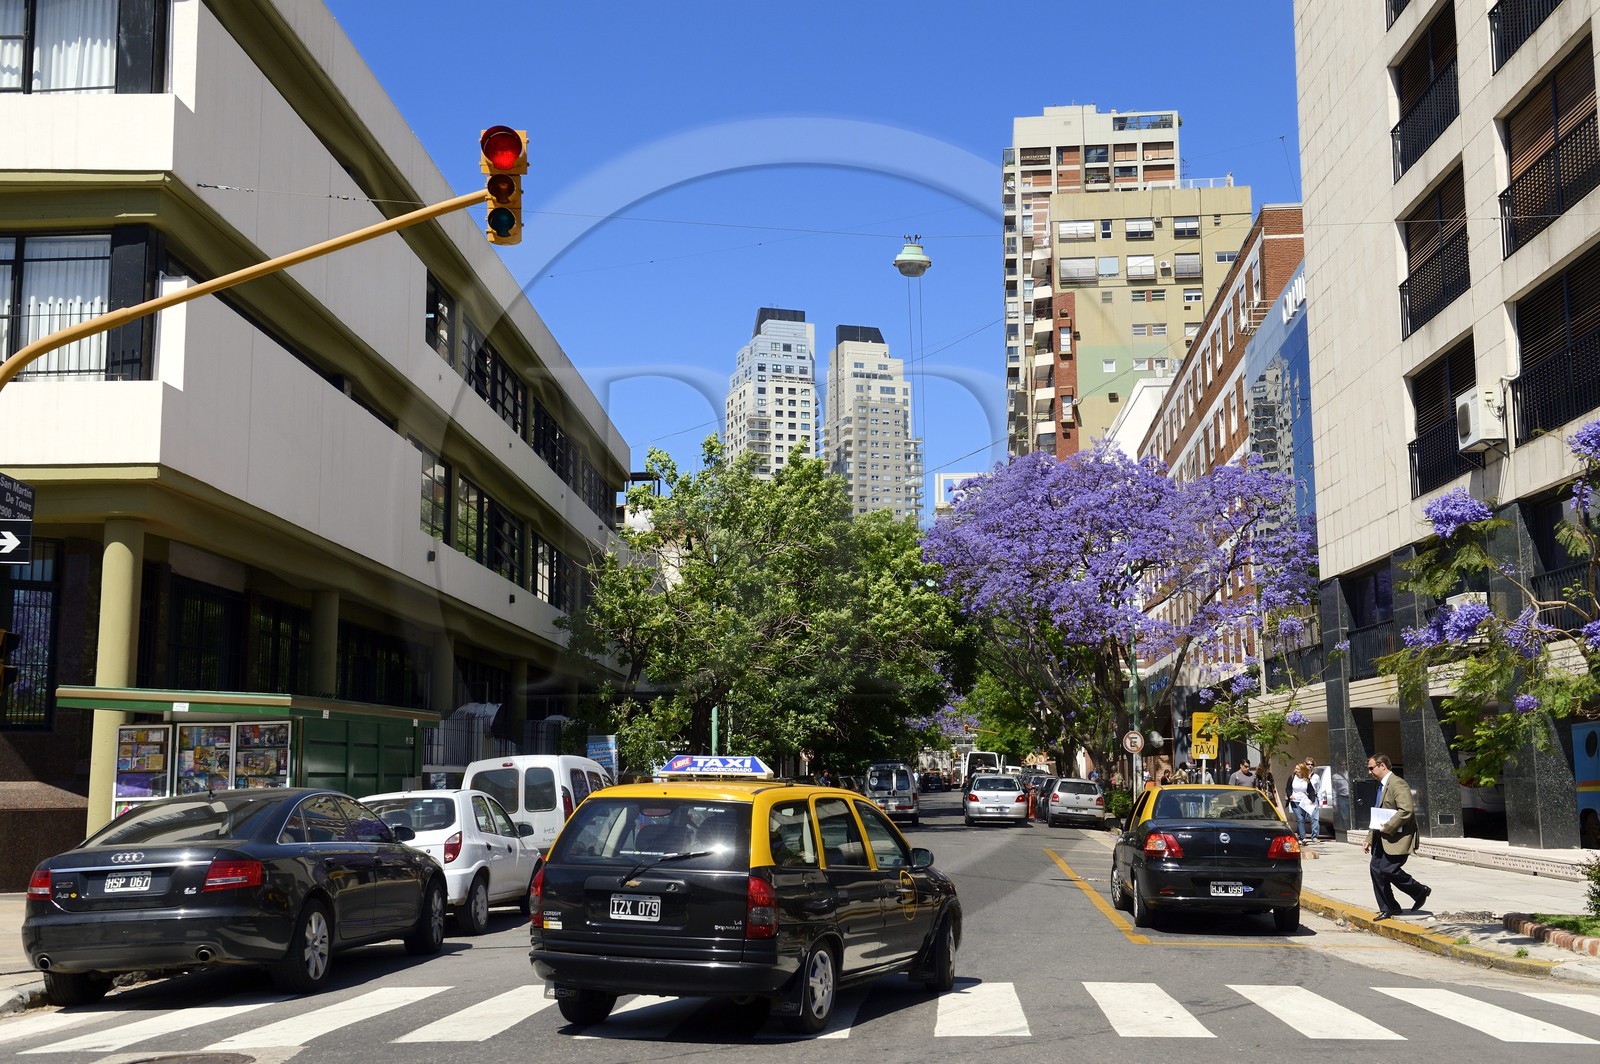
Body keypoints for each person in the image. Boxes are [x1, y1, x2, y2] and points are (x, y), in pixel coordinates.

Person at [1363, 752, 1431, 920]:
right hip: (1382, 837)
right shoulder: (1381, 786)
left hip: (1397, 838)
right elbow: (1378, 814)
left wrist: (1388, 827)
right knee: (1376, 870)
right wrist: (1369, 839)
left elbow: (1406, 810)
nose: (1369, 772)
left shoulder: (1398, 784)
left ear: (1382, 766)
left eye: (1371, 768)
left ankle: (1419, 890)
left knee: (1387, 869)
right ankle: (1390, 907)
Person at [1287, 763, 1316, 842]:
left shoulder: (1306, 779)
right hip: (1295, 801)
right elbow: (1288, 788)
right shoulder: (1292, 778)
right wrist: (1290, 795)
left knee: (1303, 819)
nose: (1296, 770)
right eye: (1296, 769)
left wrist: (1311, 800)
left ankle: (1299, 836)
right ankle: (1303, 837)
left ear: (1302, 770)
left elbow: (1311, 791)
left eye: (1298, 769)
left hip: (1304, 801)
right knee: (1300, 818)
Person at [1303, 756, 1322, 840]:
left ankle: (1314, 836)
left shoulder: (1316, 777)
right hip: (1303, 798)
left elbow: (1319, 789)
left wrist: (1320, 801)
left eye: (1312, 764)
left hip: (1313, 798)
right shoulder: (1301, 775)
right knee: (1302, 819)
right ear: (1305, 765)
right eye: (1308, 764)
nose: (1310, 766)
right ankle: (1302, 836)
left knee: (1315, 818)